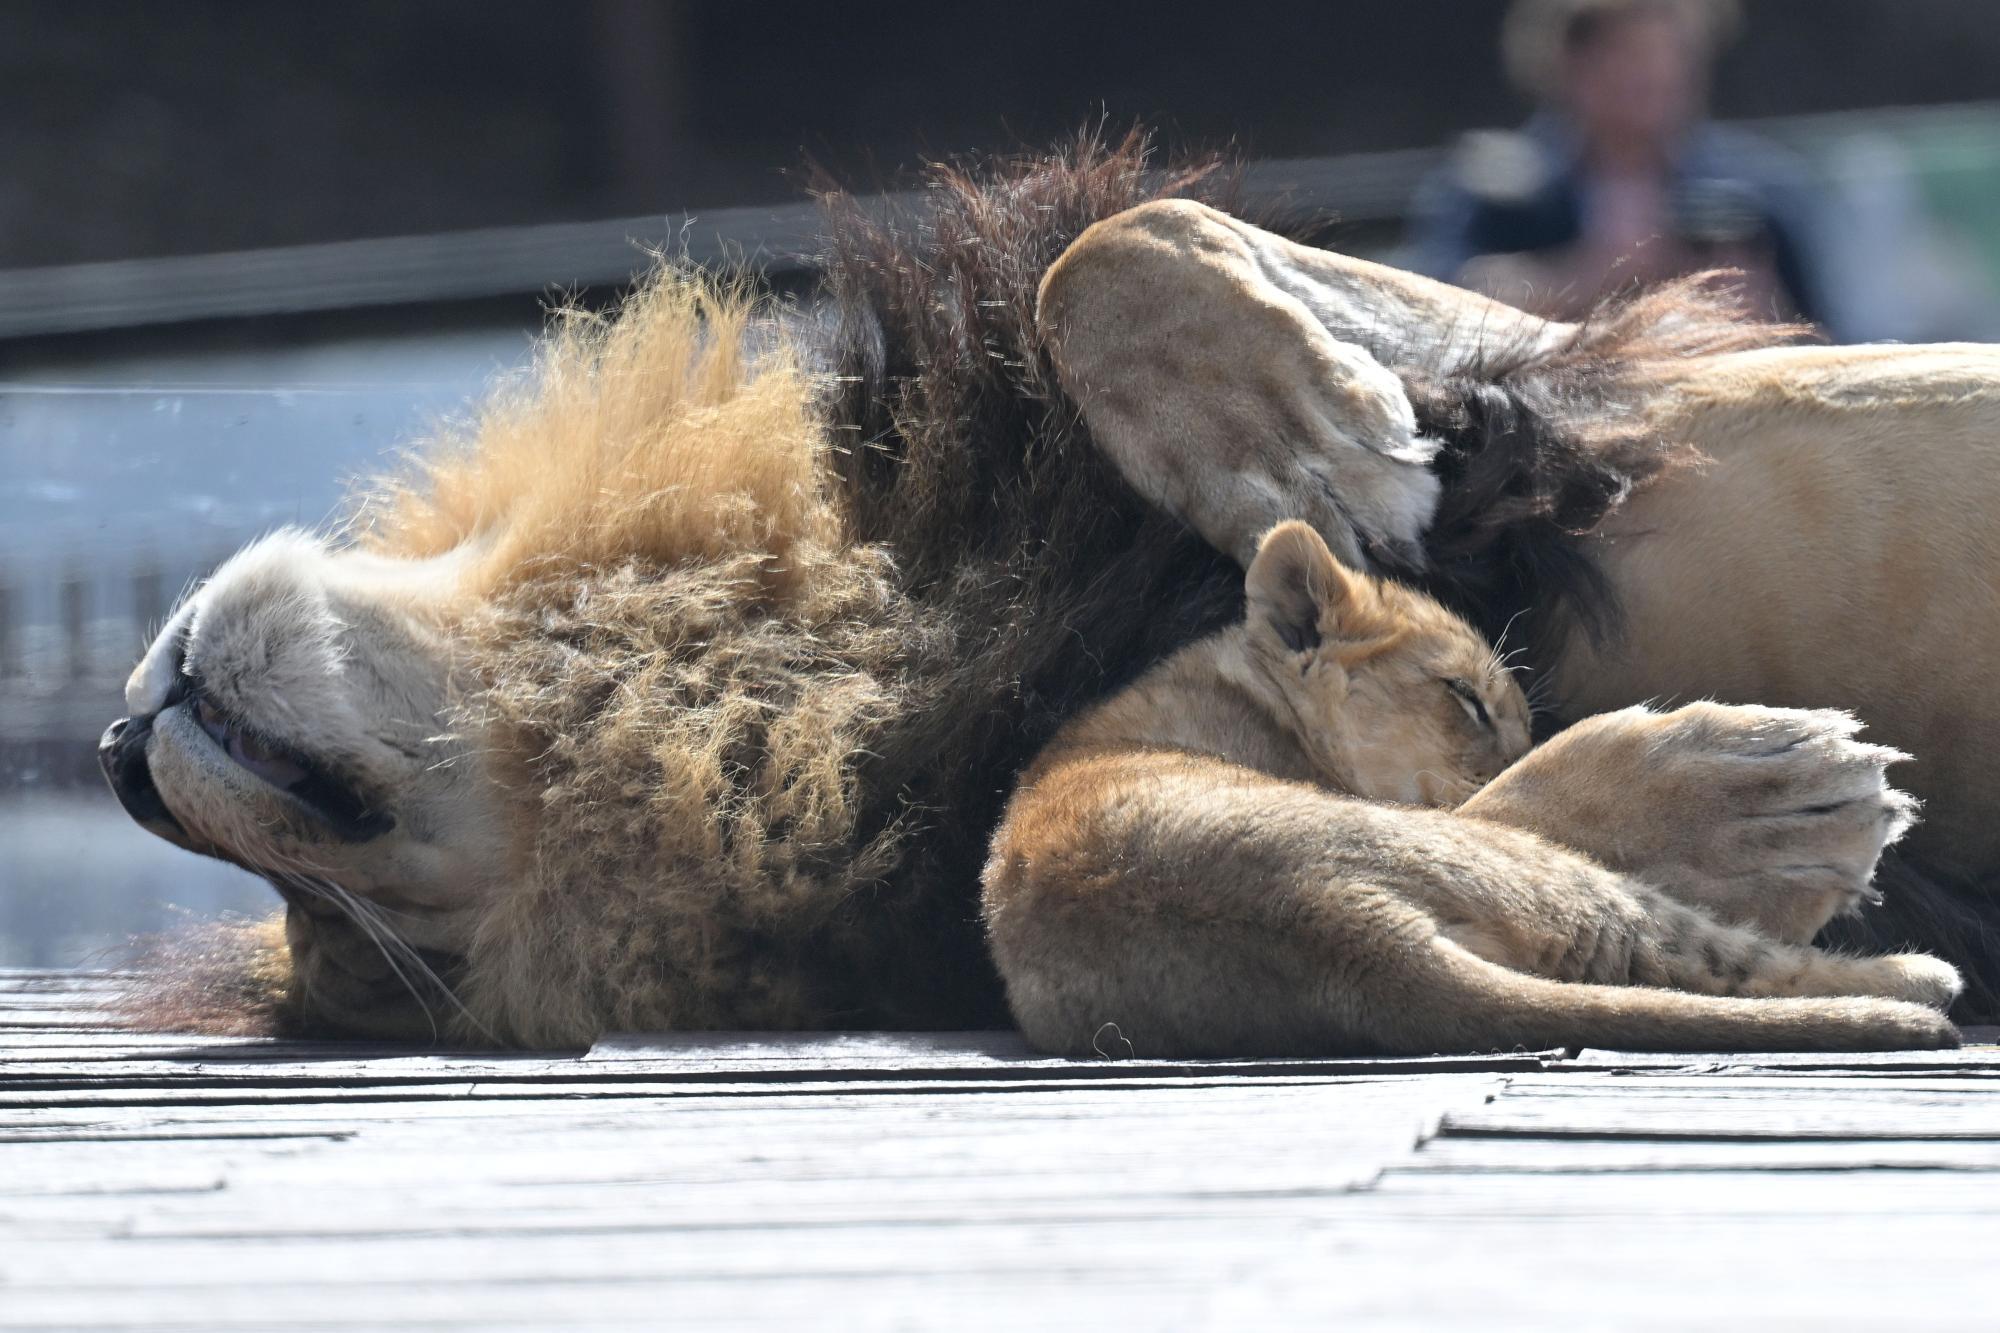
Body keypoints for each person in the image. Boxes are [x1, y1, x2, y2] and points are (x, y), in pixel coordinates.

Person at [1406, 0, 1831, 329]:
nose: (1651, 74)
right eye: (1626, 55)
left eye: (1669, 55)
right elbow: (1435, 312)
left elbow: (1832, 344)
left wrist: (1764, 313)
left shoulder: (1756, 197)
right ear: (1570, 64)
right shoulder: (1497, 193)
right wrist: (1592, 274)